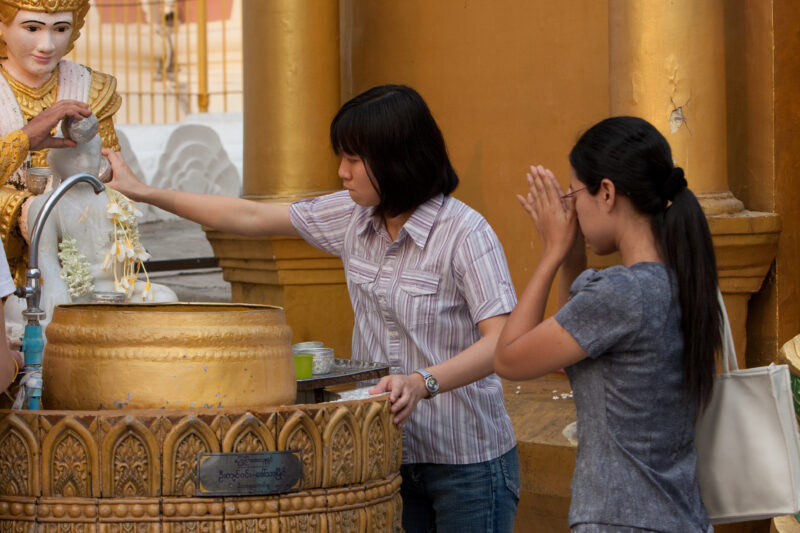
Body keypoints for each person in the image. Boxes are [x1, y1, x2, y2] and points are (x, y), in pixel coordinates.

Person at [106, 84, 520, 532]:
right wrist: (143, 192)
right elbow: (248, 217)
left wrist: (423, 382)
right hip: (388, 452)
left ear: (398, 157)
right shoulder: (353, 216)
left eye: (354, 160)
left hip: (468, 463)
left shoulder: (465, 233)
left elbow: (503, 342)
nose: (342, 172)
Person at [494, 116, 720, 532]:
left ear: (608, 192)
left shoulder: (622, 293)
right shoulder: (680, 282)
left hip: (623, 519)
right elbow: (572, 337)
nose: (572, 208)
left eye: (576, 193)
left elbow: (508, 359)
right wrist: (572, 255)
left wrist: (551, 252)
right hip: (678, 516)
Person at [0, 0, 122, 285]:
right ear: (2, 26)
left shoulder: (92, 88)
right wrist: (25, 138)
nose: (47, 45)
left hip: (74, 245)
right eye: (32, 27)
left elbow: (111, 180)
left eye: (61, 28)